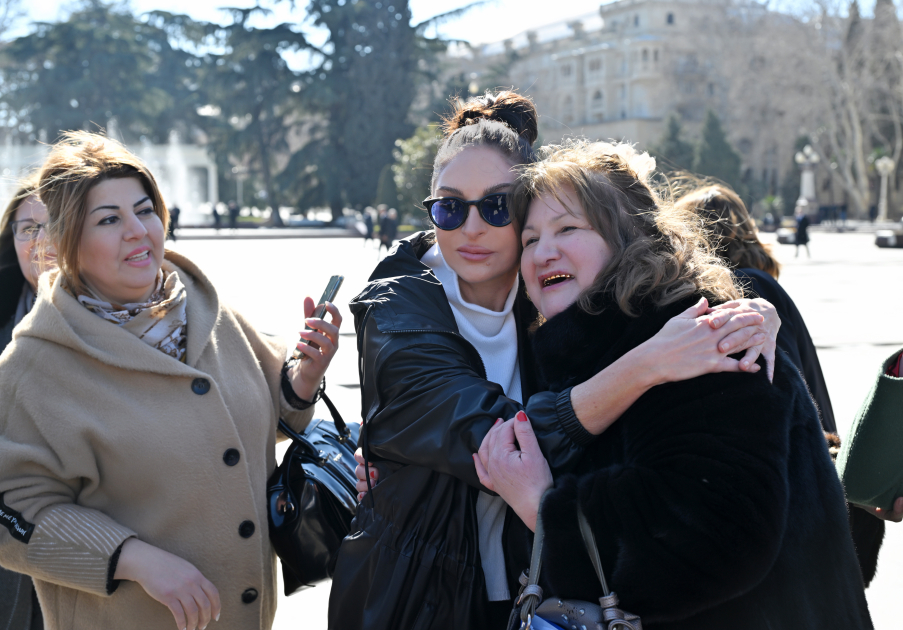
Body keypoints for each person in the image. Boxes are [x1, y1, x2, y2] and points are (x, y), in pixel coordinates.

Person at [331, 91, 780, 630]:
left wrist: (756, 309)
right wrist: (647, 363)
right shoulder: (398, 306)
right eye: (449, 207)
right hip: (421, 594)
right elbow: (495, 441)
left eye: (496, 207)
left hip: (538, 591)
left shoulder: (552, 300)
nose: (470, 228)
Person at [475, 140, 872, 629]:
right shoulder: (607, 342)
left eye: (568, 228)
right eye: (530, 238)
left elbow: (709, 542)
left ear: (630, 239)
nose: (543, 251)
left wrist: (544, 509)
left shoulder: (704, 340)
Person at [0, 131, 342, 630]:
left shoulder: (210, 311)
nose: (138, 230)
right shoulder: (37, 363)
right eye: (109, 219)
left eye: (145, 210)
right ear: (69, 239)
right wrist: (131, 558)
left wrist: (303, 378)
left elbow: (267, 417)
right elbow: (13, 511)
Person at [0, 175, 48, 630]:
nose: (39, 241)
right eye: (25, 228)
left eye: (52, 225)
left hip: (99, 552)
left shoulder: (123, 319)